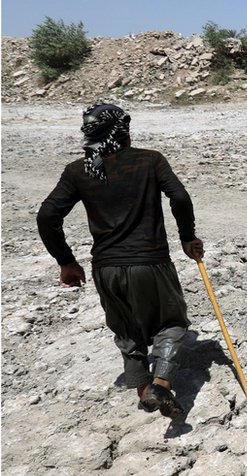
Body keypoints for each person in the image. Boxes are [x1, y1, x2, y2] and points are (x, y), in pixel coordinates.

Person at [36, 102, 204, 419]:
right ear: (125, 129)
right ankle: (161, 382)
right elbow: (179, 197)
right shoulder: (150, 160)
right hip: (150, 262)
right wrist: (187, 236)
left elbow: (47, 216)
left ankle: (144, 392)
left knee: (127, 330)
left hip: (106, 269)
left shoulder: (79, 170)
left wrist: (66, 261)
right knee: (172, 322)